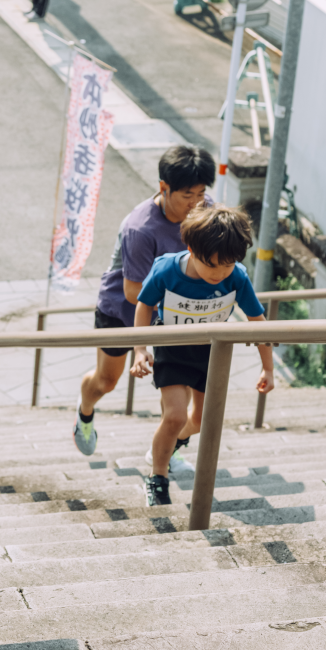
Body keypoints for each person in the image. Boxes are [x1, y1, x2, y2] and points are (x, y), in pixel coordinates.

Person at [73, 144, 215, 471]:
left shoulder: (206, 211)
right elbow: (133, 291)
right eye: (187, 195)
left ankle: (167, 453)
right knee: (106, 382)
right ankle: (84, 410)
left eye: (201, 193)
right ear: (164, 188)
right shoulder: (140, 228)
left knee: (184, 400)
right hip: (121, 311)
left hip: (177, 316)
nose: (196, 203)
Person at [130, 204, 273, 506]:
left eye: (228, 265)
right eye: (213, 265)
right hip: (172, 348)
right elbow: (144, 305)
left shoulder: (237, 277)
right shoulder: (167, 269)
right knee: (175, 416)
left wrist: (268, 368)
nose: (220, 274)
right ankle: (158, 477)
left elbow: (258, 322)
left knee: (203, 420)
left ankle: (169, 444)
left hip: (213, 352)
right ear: (192, 250)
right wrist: (140, 349)